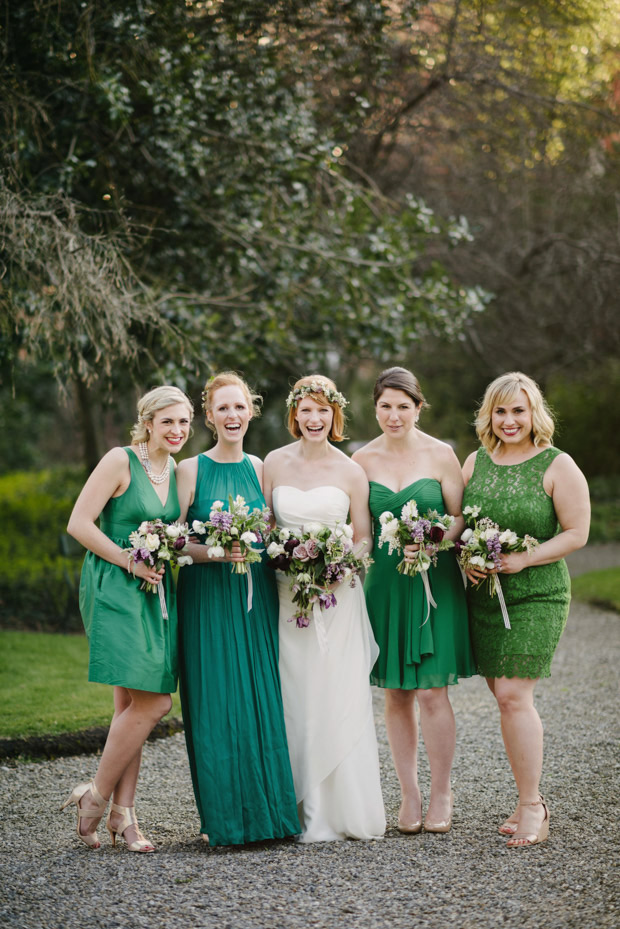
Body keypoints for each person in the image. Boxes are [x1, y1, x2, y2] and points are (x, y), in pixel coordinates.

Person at [63, 385, 193, 852]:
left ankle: (125, 816)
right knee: (155, 703)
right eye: (168, 422)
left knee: (129, 709)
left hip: (154, 590)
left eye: (184, 422)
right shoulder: (120, 460)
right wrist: (128, 560)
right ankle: (95, 798)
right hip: (114, 585)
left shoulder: (175, 468)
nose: (177, 431)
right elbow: (79, 523)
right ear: (148, 422)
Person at [462, 371, 590, 848]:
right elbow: (461, 523)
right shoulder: (475, 461)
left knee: (515, 695)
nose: (509, 420)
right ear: (489, 415)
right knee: (504, 699)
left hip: (538, 592)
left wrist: (525, 558)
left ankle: (535, 804)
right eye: (501, 410)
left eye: (518, 410)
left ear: (534, 413)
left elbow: (577, 533)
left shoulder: (558, 464)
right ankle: (522, 800)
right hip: (485, 597)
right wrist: (466, 559)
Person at [175, 372, 300, 846]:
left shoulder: (261, 467)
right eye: (222, 408)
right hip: (207, 597)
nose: (232, 416)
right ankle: (226, 823)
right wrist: (213, 551)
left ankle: (272, 819)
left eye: (239, 407)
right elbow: (176, 541)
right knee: (215, 700)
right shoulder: (191, 470)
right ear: (209, 416)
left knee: (259, 695)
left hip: (256, 597)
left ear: (252, 412)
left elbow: (274, 532)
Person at [263, 374, 386, 843]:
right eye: (306, 410)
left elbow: (363, 536)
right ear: (294, 414)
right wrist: (285, 559)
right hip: (285, 595)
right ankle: (292, 805)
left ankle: (342, 810)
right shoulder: (273, 462)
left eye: (323, 411)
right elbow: (266, 524)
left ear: (335, 415)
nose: (315, 419)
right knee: (294, 693)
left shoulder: (351, 470)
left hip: (337, 600)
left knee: (336, 691)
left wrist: (339, 568)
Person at [353, 367, 475, 835]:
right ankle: (409, 793)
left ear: (418, 408)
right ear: (376, 408)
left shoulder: (442, 454)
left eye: (404, 406)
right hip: (385, 584)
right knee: (397, 692)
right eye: (386, 405)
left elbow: (460, 517)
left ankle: (442, 790)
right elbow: (359, 529)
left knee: (431, 690)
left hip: (434, 583)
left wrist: (436, 538)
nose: (394, 414)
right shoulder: (360, 460)